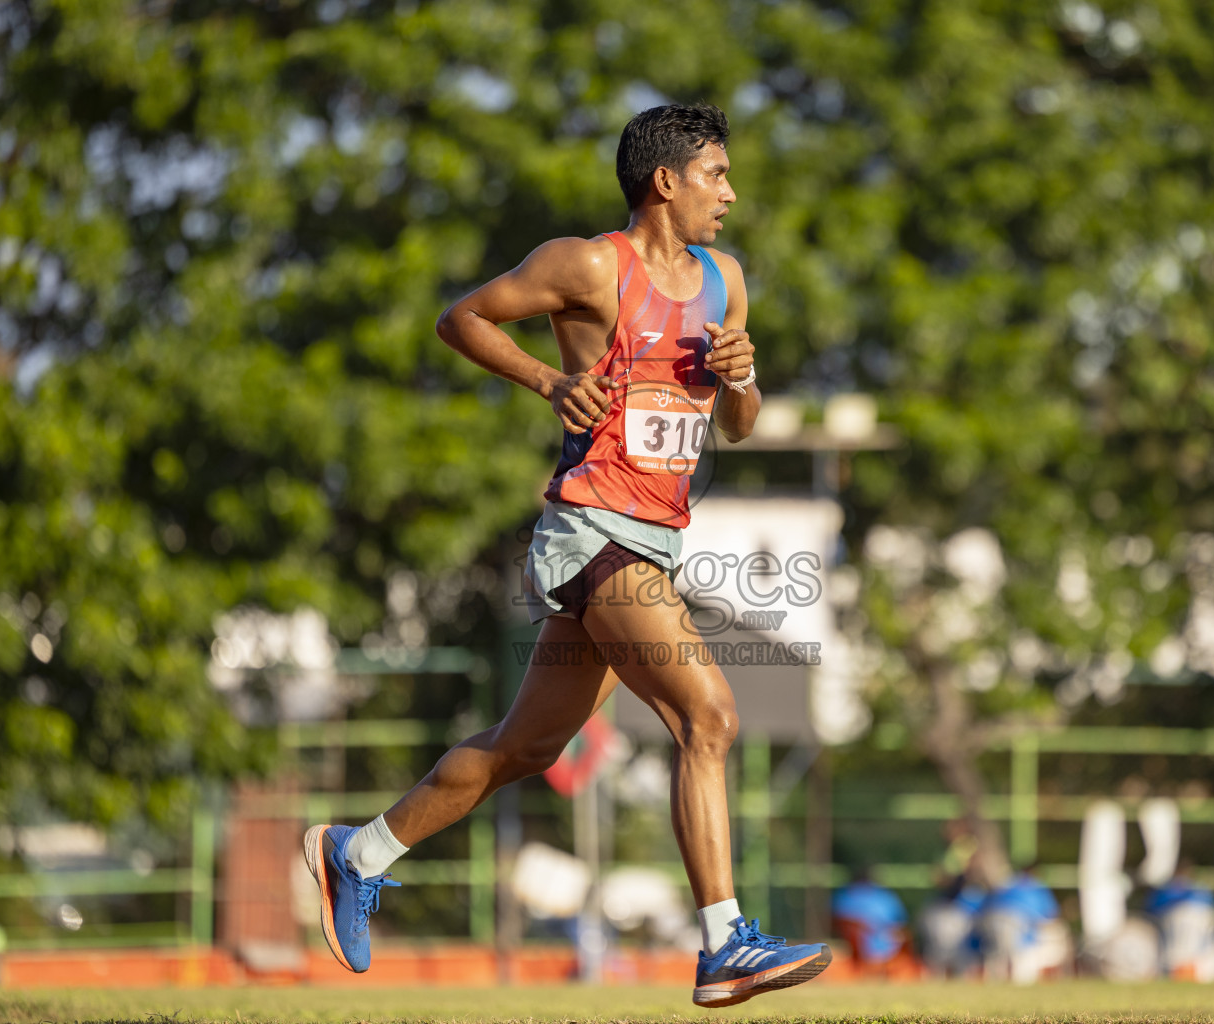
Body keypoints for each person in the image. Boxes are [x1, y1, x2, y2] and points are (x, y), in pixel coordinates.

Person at [300, 103, 831, 1008]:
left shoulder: (724, 280)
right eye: (717, 175)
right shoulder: (589, 265)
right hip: (592, 527)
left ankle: (357, 853)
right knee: (709, 713)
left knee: (525, 745)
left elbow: (736, 427)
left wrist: (740, 376)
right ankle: (723, 944)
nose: (731, 195)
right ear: (665, 182)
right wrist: (551, 381)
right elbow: (460, 319)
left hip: (655, 538)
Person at [831, 866, 910, 975]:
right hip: (863, 941)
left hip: (876, 939)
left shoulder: (846, 895)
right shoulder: (883, 895)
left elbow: (898, 924)